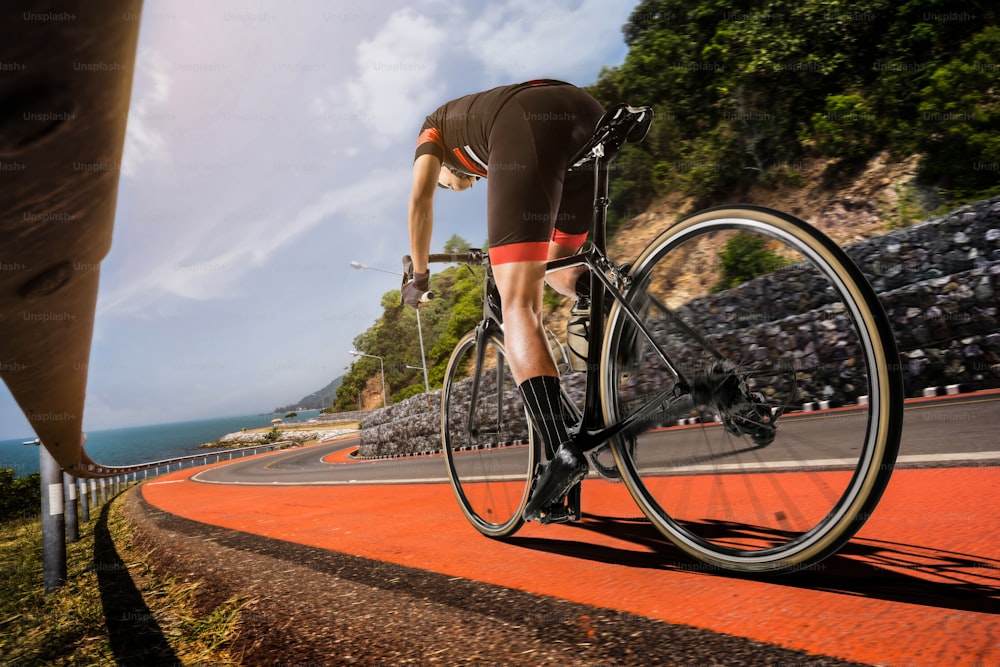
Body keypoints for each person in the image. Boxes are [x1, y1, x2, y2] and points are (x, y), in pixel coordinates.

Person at [402, 79, 604, 522]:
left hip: (526, 118)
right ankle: (605, 300)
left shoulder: (432, 130)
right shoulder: (481, 148)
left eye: (451, 186)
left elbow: (419, 199)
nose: (461, 186)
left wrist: (418, 276)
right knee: (559, 268)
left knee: (518, 306)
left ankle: (559, 456)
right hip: (586, 114)